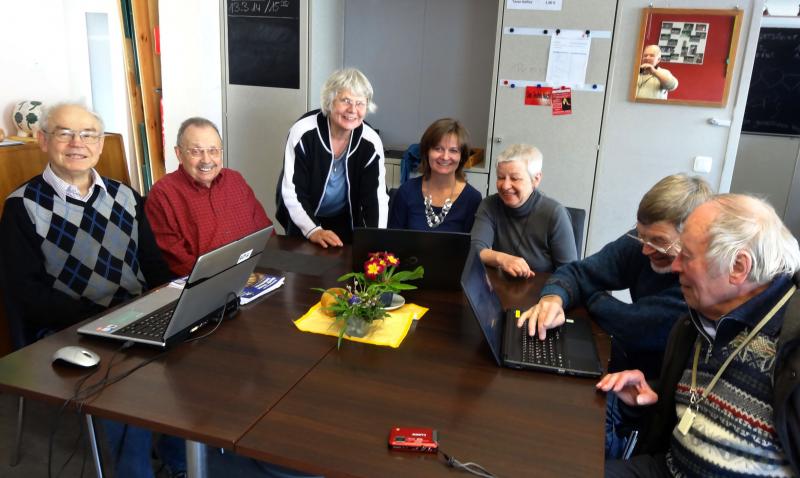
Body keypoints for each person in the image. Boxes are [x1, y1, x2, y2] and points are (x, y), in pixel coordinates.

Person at [0, 103, 184, 478]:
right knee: (125, 387)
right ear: (42, 140)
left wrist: (173, 301)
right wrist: (97, 320)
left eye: (88, 134)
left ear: (100, 144)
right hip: (68, 329)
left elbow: (152, 266)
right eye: (64, 133)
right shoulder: (22, 207)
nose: (76, 143)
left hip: (132, 316)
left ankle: (178, 460)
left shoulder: (127, 197)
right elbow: (26, 294)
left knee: (198, 362)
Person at [601, 194, 800, 477]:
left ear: (738, 267)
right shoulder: (693, 325)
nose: (675, 265)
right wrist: (647, 398)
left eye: (687, 256)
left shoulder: (792, 345)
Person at [519, 174, 712, 375]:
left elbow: (633, 326)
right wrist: (552, 299)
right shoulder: (644, 242)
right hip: (626, 361)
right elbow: (578, 272)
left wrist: (591, 295)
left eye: (659, 241)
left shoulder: (699, 283)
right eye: (641, 236)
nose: (646, 250)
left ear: (694, 238)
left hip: (661, 384)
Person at [276, 68, 389, 247]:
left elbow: (376, 198)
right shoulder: (303, 132)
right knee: (300, 269)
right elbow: (293, 192)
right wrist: (313, 230)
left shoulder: (371, 142)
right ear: (330, 101)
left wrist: (376, 241)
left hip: (344, 218)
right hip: (303, 216)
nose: (352, 110)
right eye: (345, 101)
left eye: (360, 103)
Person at [145, 117, 272, 276]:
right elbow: (180, 263)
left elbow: (266, 233)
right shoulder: (163, 194)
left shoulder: (235, 180)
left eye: (213, 151)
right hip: (206, 285)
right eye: (196, 152)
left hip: (256, 273)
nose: (206, 160)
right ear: (179, 154)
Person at [470, 144, 576, 278]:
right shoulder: (489, 205)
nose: (505, 186)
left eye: (515, 178)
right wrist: (503, 259)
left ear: (536, 179)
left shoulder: (555, 214)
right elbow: (475, 249)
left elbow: (570, 274)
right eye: (501, 177)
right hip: (499, 290)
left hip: (543, 292)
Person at [388, 118, 482, 232]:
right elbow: (392, 243)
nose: (445, 157)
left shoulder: (473, 199)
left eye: (453, 150)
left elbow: (471, 247)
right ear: (426, 152)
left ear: (462, 157)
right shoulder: (406, 192)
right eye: (438, 149)